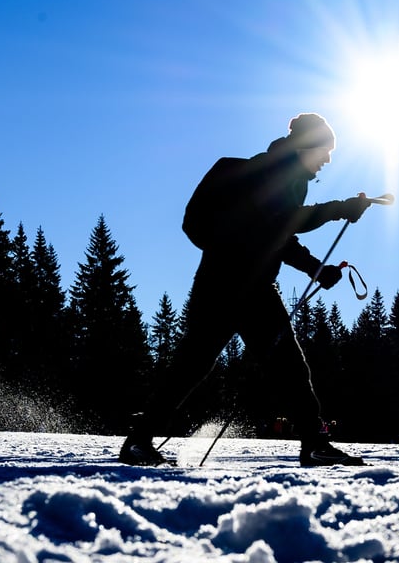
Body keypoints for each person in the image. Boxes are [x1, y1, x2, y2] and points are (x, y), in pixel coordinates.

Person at [119, 113, 372, 467]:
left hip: (246, 286)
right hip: (226, 284)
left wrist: (316, 269)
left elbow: (278, 236)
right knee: (199, 365)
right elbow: (283, 221)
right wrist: (336, 210)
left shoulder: (290, 180)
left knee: (278, 366)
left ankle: (313, 443)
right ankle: (139, 441)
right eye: (325, 150)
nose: (328, 159)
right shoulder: (268, 171)